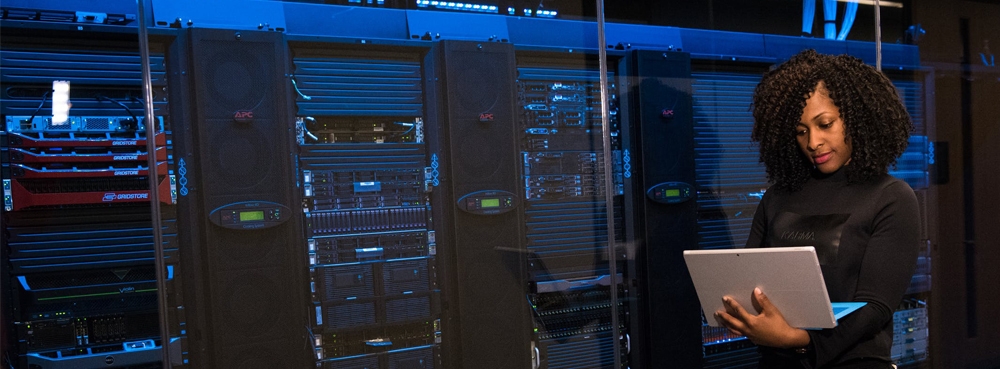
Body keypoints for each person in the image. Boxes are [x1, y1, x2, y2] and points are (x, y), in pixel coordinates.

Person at [713, 49, 920, 368]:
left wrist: (801, 341)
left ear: (856, 117)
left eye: (825, 124)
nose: (813, 142)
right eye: (801, 130)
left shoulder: (890, 197)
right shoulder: (776, 198)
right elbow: (748, 285)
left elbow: (876, 307)